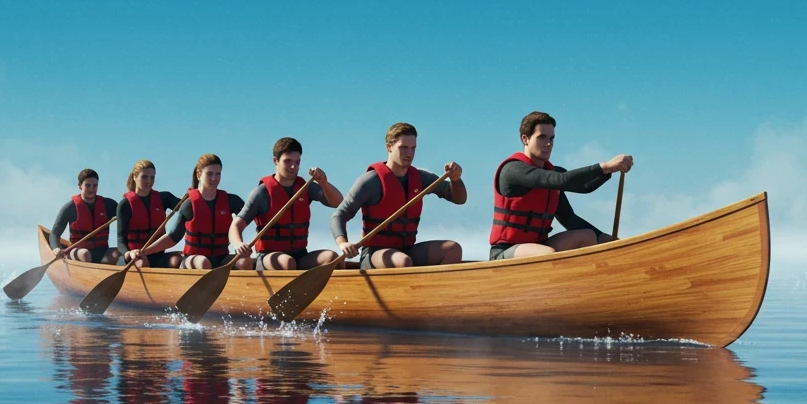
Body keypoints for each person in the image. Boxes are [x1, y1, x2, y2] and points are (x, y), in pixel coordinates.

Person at [489, 110, 633, 260]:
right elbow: (562, 180)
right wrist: (605, 166)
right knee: (547, 254)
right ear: (525, 139)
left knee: (588, 237)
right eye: (542, 137)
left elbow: (577, 202)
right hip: (506, 251)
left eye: (552, 138)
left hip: (540, 245)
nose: (549, 144)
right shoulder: (513, 170)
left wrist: (602, 238)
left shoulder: (553, 173)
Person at [330, 122, 467, 269]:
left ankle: (436, 291)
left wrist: (455, 179)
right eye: (403, 148)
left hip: (407, 249)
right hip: (374, 253)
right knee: (403, 261)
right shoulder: (370, 181)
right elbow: (339, 215)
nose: (409, 154)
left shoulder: (421, 178)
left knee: (453, 249)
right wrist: (343, 243)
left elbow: (459, 199)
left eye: (413, 148)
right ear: (389, 147)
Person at [229, 137, 345, 271]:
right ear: (275, 161)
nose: (293, 167)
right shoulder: (261, 193)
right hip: (269, 257)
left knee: (332, 258)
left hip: (300, 255)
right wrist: (238, 244)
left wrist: (323, 182)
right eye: (288, 161)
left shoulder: (305, 187)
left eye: (297, 162)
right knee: (287, 262)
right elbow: (236, 225)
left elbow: (338, 202)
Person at [129, 154, 254, 270]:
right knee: (203, 262)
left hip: (222, 257)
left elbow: (251, 217)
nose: (214, 178)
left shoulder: (231, 201)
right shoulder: (189, 204)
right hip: (193, 259)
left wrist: (239, 244)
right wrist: (144, 251)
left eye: (218, 174)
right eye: (209, 174)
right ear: (199, 174)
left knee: (245, 261)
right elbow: (173, 237)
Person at [116, 159, 184, 269]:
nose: (149, 181)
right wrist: (128, 253)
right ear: (135, 177)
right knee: (142, 263)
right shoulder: (125, 205)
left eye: (152, 177)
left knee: (177, 259)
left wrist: (194, 196)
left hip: (157, 255)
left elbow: (185, 207)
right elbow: (121, 240)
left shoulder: (164, 198)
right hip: (135, 256)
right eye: (144, 177)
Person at [48, 168, 121, 264]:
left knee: (119, 253)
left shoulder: (109, 205)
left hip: (102, 252)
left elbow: (127, 219)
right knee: (85, 254)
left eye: (95, 186)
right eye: (88, 185)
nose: (92, 189)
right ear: (80, 186)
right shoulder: (70, 208)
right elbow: (54, 234)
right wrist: (56, 248)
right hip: (78, 251)